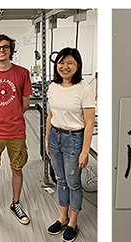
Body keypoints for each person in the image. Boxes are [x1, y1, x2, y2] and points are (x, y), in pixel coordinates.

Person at [0, 33, 33, 227]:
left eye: (5, 47)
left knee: (17, 168)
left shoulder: (22, 73)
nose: (1, 50)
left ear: (11, 50)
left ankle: (15, 203)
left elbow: (25, 102)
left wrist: (12, 114)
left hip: (16, 130)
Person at [45, 47, 96, 242]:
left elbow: (90, 122)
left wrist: (85, 151)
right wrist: (47, 139)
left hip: (74, 139)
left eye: (69, 63)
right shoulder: (53, 87)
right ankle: (62, 217)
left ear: (78, 66)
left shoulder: (84, 89)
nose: (64, 67)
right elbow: (50, 115)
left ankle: (73, 222)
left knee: (74, 183)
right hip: (55, 137)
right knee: (60, 179)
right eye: (61, 62)